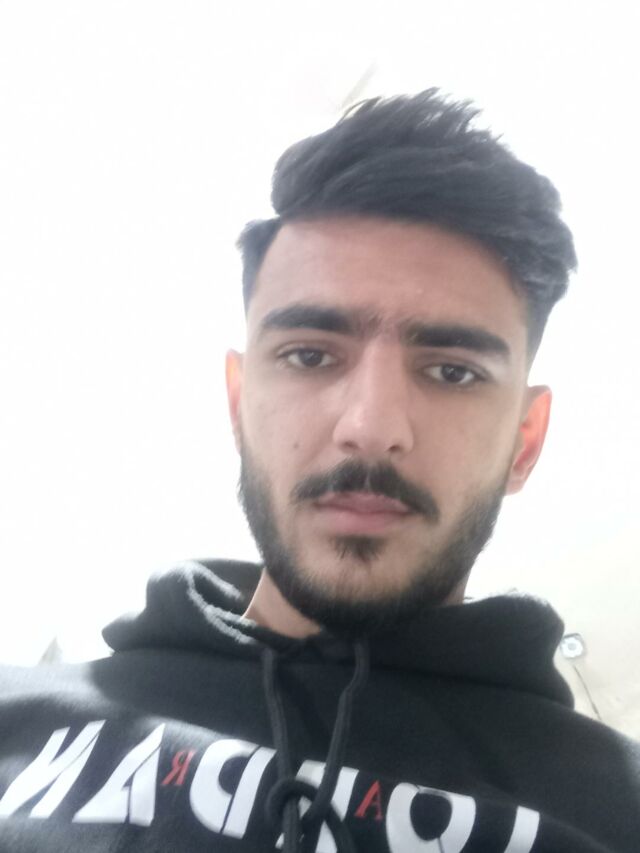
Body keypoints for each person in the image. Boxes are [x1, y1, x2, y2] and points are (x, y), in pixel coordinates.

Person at [0, 89, 637, 853]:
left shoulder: (620, 807)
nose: (370, 427)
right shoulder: (17, 719)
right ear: (239, 404)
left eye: (453, 371)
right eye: (308, 355)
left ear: (525, 441)